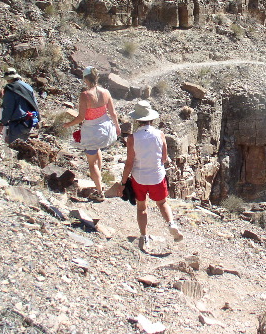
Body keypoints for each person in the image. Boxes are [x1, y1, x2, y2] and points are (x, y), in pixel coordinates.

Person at [118, 100, 183, 251]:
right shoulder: (160, 134)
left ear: (137, 120)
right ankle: (171, 224)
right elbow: (164, 158)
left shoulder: (132, 139)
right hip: (157, 176)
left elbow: (129, 162)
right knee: (162, 203)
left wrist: (122, 183)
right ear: (152, 119)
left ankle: (144, 237)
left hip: (139, 178)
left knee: (141, 207)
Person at [63, 66, 121, 201]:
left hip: (92, 131)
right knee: (97, 151)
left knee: (91, 163)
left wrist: (68, 124)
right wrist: (117, 127)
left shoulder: (85, 95)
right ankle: (99, 181)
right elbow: (113, 113)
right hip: (106, 129)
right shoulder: (105, 92)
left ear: (85, 79)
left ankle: (100, 192)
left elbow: (81, 117)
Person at [0, 68, 40, 144]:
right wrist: (38, 118)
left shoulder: (10, 89)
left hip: (17, 124)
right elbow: (35, 103)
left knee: (14, 147)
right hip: (29, 122)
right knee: (24, 146)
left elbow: (8, 108)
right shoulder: (28, 87)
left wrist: (3, 123)